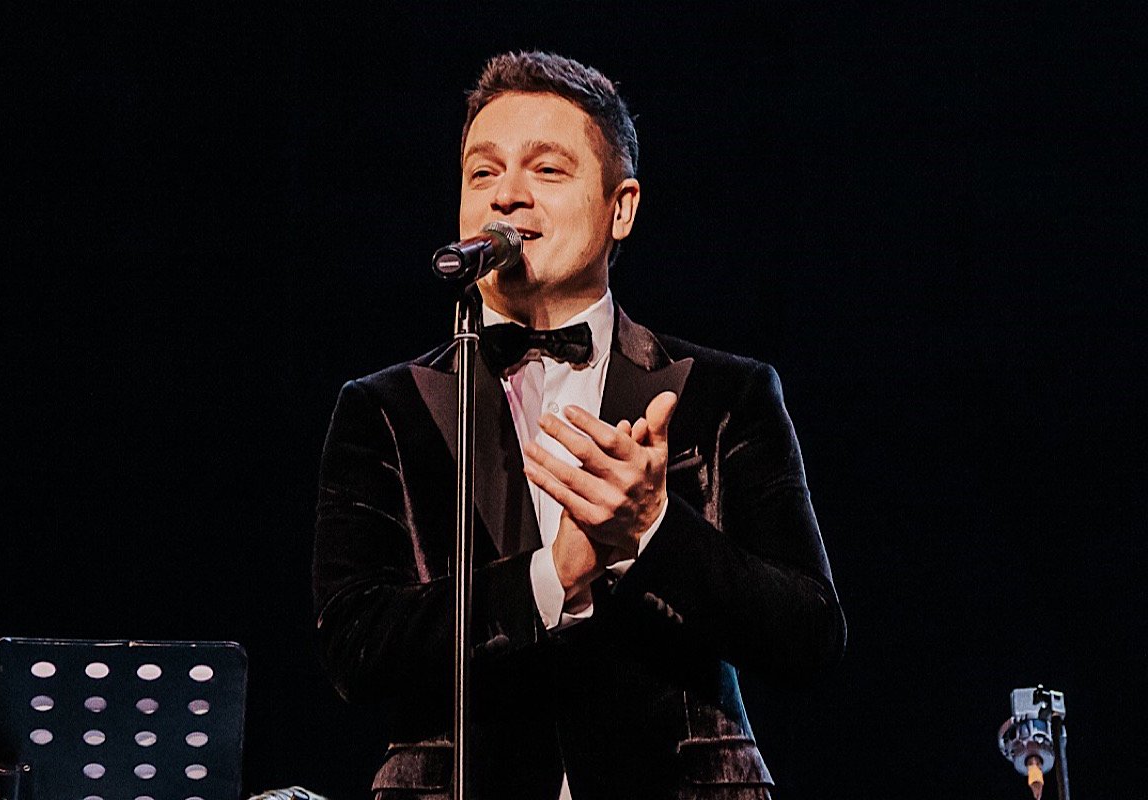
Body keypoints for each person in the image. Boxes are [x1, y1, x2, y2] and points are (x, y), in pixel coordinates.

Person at [312, 51, 845, 800]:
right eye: (483, 172)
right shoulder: (385, 407)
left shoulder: (727, 393)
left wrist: (653, 530)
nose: (507, 195)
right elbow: (354, 648)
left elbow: (809, 639)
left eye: (547, 170)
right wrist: (551, 576)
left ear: (621, 206)